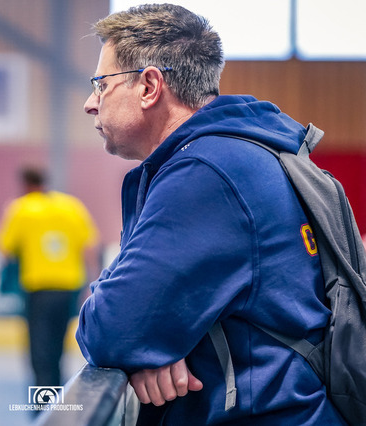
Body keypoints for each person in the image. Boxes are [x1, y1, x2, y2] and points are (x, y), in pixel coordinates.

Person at [75, 4, 345, 425]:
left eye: (101, 84)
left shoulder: (206, 174)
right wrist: (155, 343)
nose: (90, 104)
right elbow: (133, 319)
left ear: (149, 86)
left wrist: (144, 341)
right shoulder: (238, 153)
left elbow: (110, 329)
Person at [0, 166, 99, 389]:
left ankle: (42, 402)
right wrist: (93, 283)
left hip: (39, 289)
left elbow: (3, 251)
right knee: (57, 349)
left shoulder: (21, 208)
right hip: (68, 287)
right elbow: (89, 247)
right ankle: (57, 395)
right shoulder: (71, 206)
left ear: (25, 184)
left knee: (40, 352)